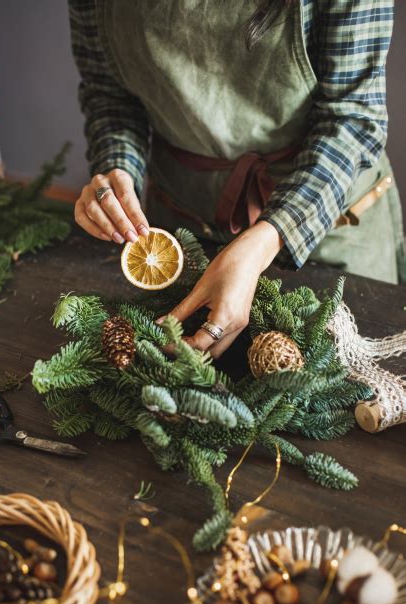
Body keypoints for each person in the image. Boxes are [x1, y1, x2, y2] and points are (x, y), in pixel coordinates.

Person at [68, 0, 405, 358]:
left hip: (326, 222)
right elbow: (110, 95)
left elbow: (352, 121)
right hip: (181, 223)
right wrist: (117, 170)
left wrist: (266, 237)